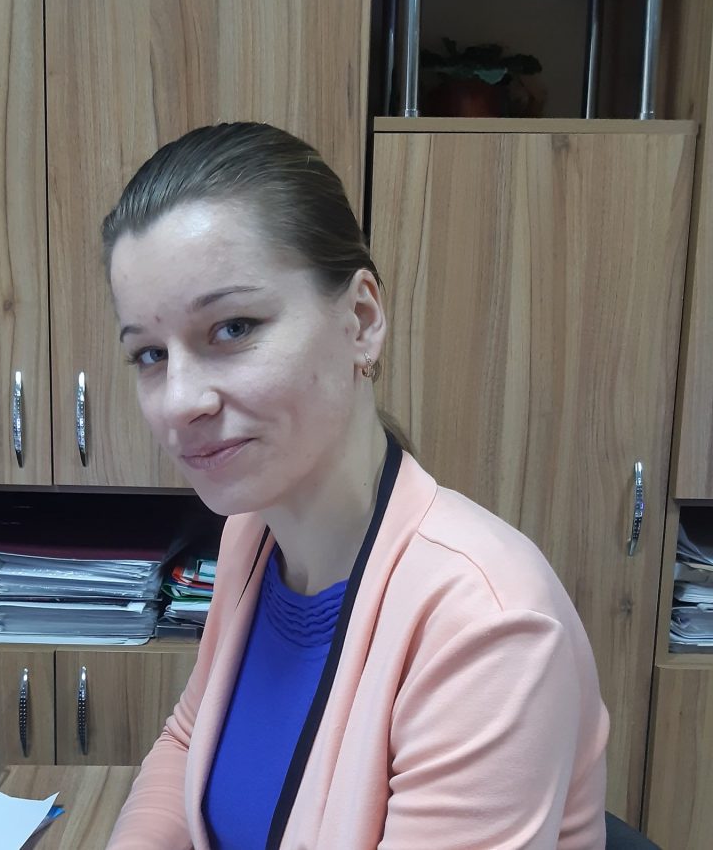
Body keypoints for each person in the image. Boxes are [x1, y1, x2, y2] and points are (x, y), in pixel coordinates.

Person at [102, 122, 608, 850]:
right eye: (149, 354)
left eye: (232, 327)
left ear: (362, 320)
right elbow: (189, 738)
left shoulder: (487, 627)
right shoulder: (254, 535)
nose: (180, 401)